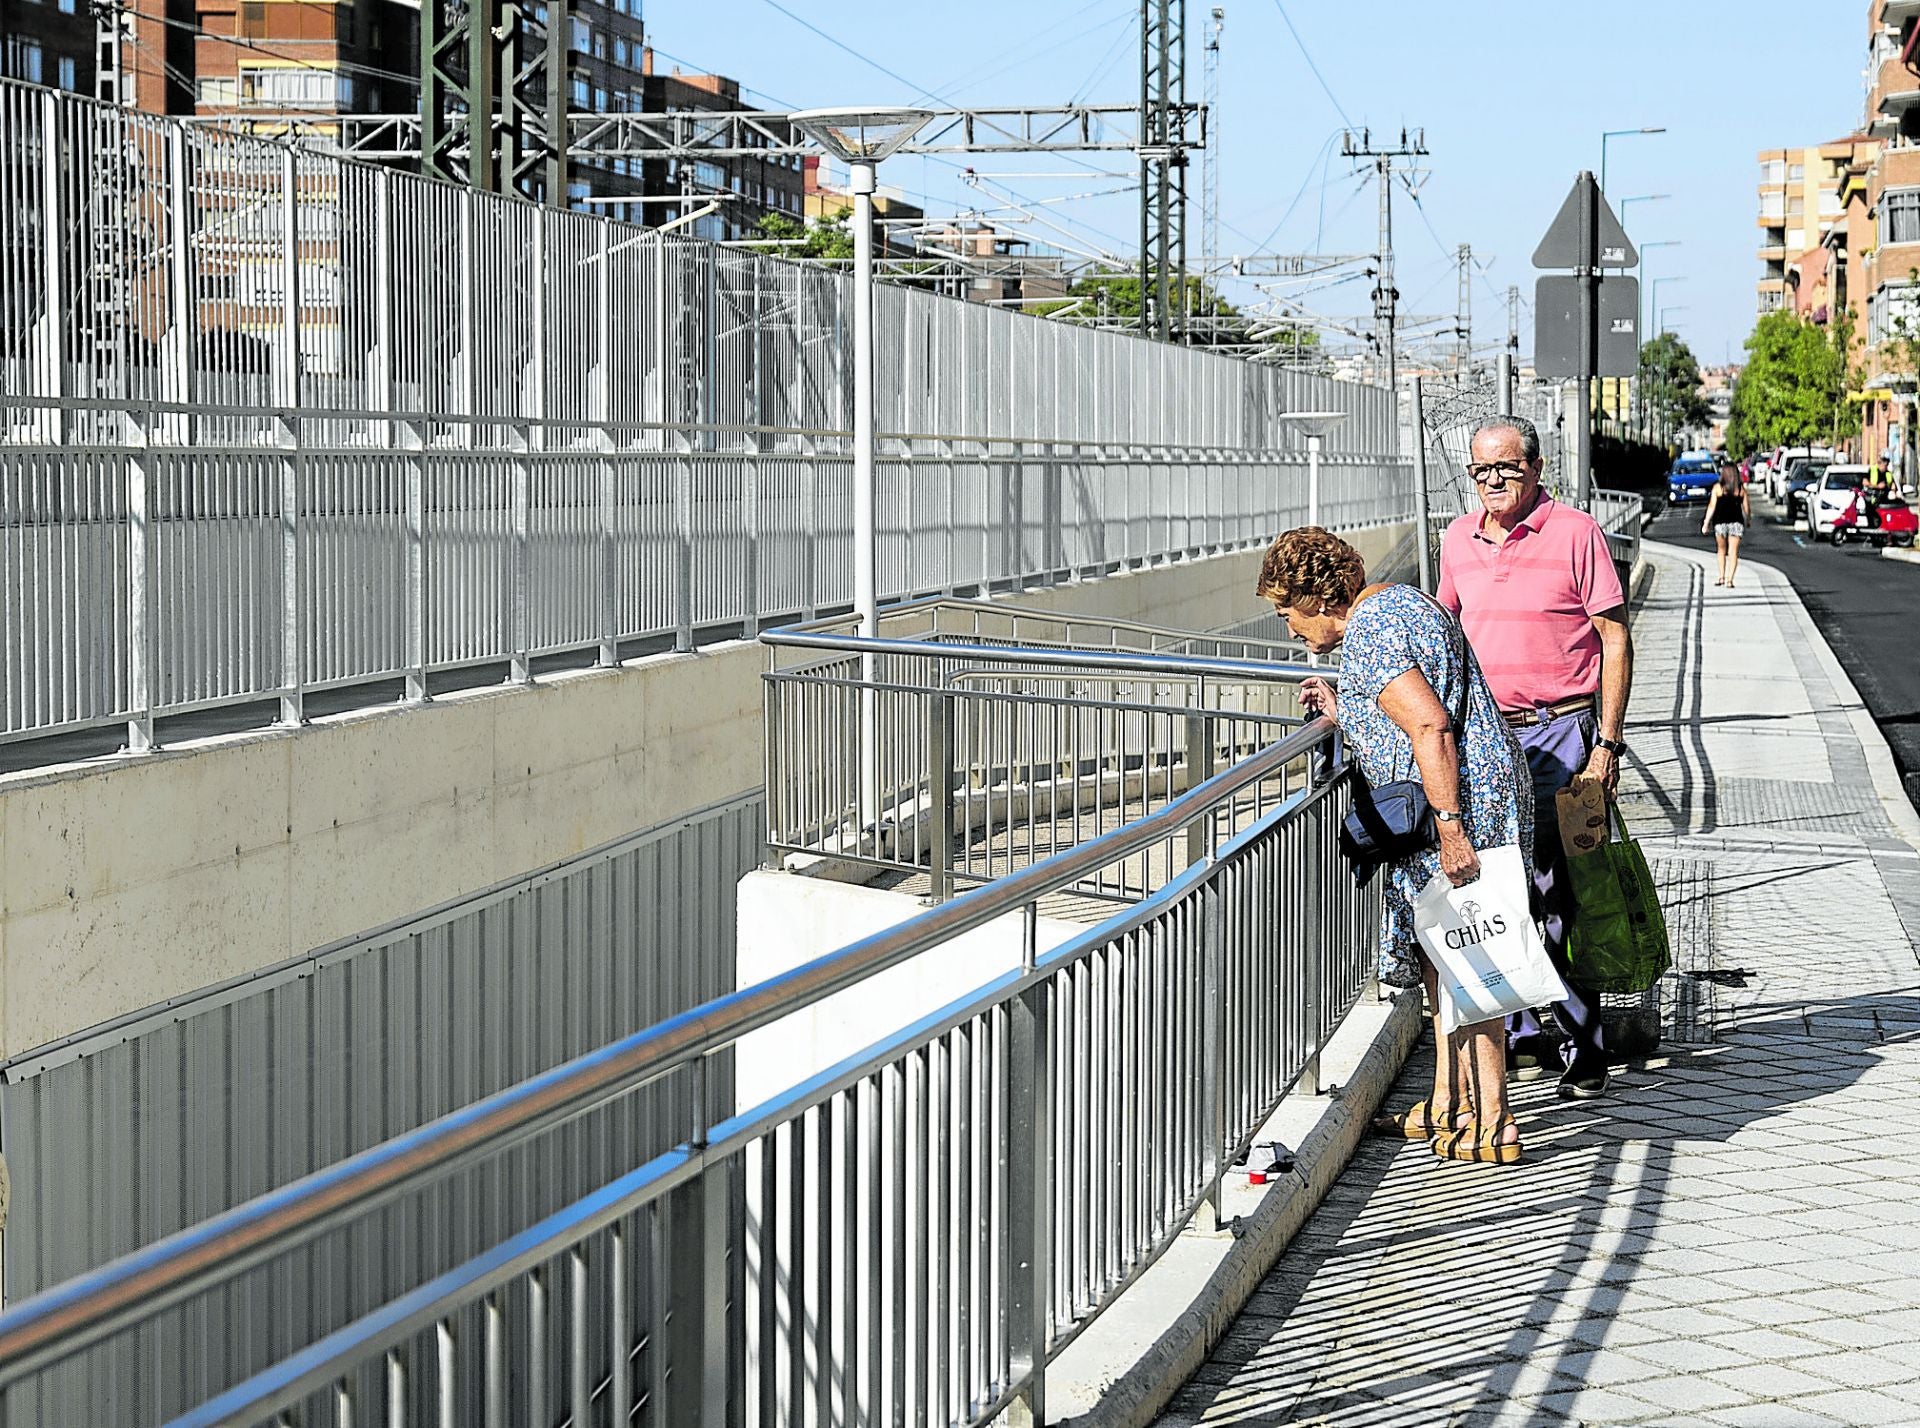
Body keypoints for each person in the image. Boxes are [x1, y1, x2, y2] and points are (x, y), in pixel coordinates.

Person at [1258, 526, 1535, 1164]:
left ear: (1318, 596)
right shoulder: (1401, 602)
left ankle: (1495, 1119)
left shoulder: (1370, 631)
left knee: (1476, 955)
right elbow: (1411, 702)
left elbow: (1430, 724)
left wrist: (1450, 827)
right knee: (1455, 955)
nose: (1289, 630)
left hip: (1456, 807)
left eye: (1287, 614)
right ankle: (1456, 1103)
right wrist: (1344, 704)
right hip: (1484, 790)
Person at [1436, 415, 1634, 1100]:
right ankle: (1524, 1034)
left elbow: (1614, 639)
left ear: (1537, 468)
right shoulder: (1457, 539)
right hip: (1490, 741)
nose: (1492, 480)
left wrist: (1605, 748)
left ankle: (1585, 1045)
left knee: (1569, 894)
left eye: (1507, 468)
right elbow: (1444, 636)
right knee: (1503, 888)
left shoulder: (1577, 533)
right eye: (1480, 470)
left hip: (1567, 738)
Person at [1701, 466, 1750, 587]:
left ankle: (1721, 576)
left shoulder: (1718, 488)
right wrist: (1748, 520)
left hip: (1720, 522)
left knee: (1721, 550)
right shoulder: (1740, 489)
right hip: (1736, 523)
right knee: (1733, 552)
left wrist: (1706, 523)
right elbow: (1746, 508)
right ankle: (1730, 580)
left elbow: (1712, 507)